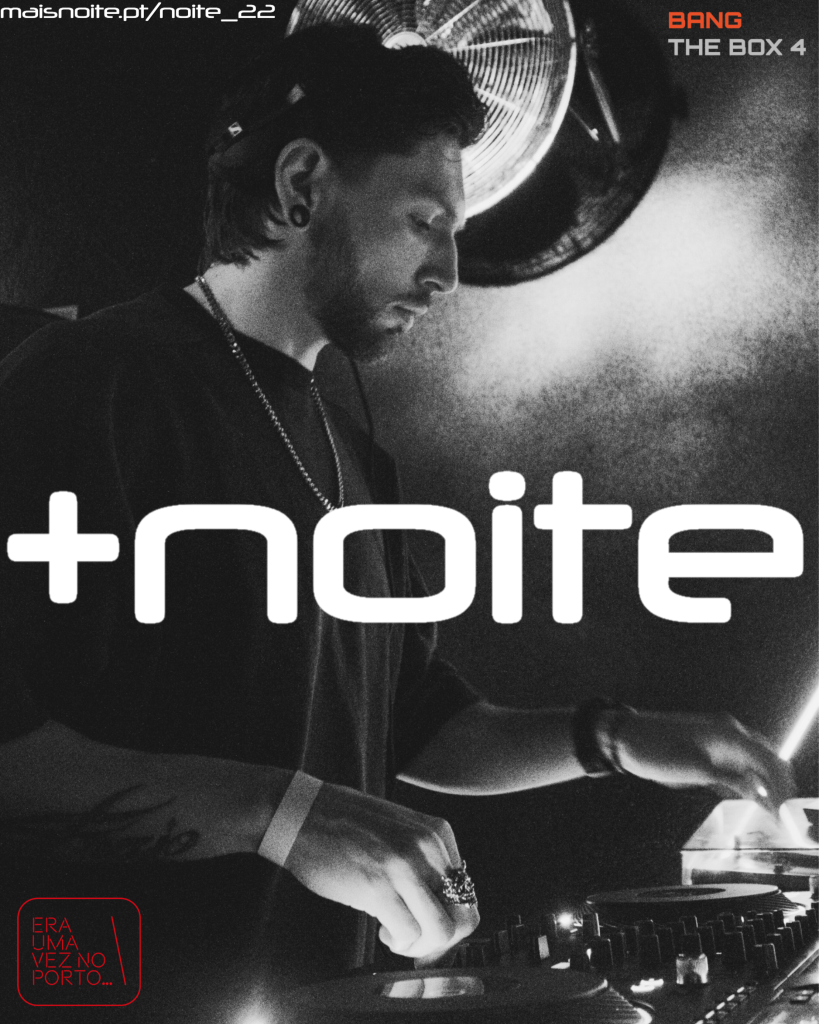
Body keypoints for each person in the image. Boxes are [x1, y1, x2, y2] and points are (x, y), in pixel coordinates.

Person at [0, 23, 794, 1021]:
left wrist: (621, 738)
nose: (448, 272)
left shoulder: (352, 455)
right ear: (301, 185)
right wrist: (285, 814)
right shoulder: (88, 387)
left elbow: (425, 727)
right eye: (425, 220)